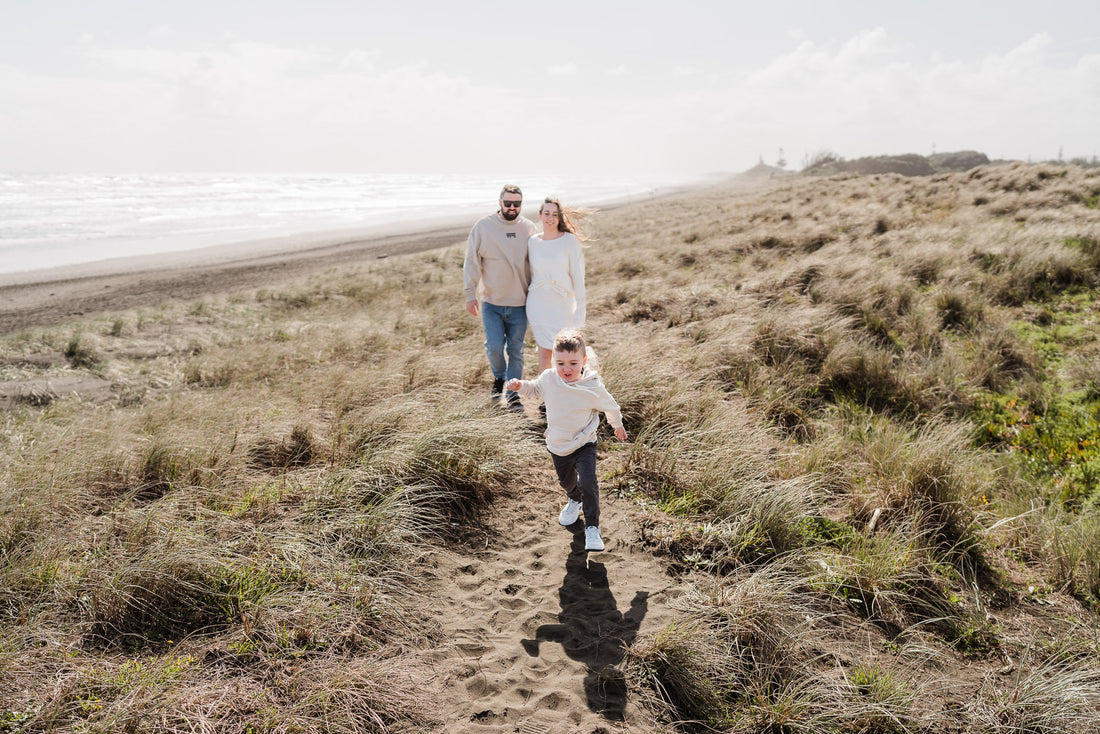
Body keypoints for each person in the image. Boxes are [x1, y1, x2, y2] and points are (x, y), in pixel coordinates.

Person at [506, 329, 628, 551]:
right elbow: (534, 388)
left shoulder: (592, 386)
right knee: (567, 483)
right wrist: (519, 386)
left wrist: (617, 425)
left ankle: (592, 527)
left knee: (588, 482)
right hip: (558, 444)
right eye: (560, 363)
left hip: (584, 442)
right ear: (553, 361)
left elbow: (611, 406)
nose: (566, 369)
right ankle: (575, 500)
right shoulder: (550, 378)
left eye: (573, 362)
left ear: (584, 360)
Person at [463, 185, 538, 409]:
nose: (512, 207)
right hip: (491, 303)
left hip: (520, 304)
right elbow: (471, 262)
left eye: (517, 204)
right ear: (500, 202)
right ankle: (499, 377)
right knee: (494, 347)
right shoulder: (483, 227)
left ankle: (513, 393)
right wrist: (470, 293)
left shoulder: (529, 228)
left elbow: (540, 263)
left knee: (516, 349)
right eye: (508, 203)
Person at [526, 197, 587, 375]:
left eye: (554, 214)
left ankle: (571, 393)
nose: (550, 218)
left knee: (567, 354)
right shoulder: (532, 242)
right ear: (540, 216)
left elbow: (579, 279)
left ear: (559, 218)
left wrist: (580, 314)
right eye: (547, 214)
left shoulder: (569, 241)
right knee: (544, 353)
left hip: (562, 306)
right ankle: (548, 398)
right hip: (538, 305)